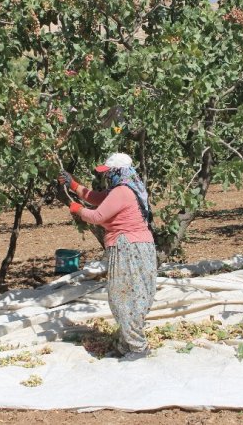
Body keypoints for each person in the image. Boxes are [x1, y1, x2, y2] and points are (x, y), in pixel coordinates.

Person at [58, 153, 157, 360]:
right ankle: (126, 343)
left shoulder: (122, 191)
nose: (106, 177)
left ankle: (138, 347)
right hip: (135, 245)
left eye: (109, 173)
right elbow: (97, 197)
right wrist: (73, 184)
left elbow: (97, 215)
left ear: (117, 172)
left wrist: (77, 209)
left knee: (123, 297)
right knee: (129, 295)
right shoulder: (128, 187)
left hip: (129, 248)